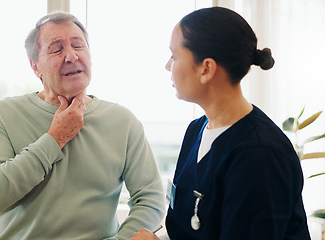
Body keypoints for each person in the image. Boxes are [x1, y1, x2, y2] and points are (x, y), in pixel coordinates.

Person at [0, 11, 165, 240]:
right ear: (35, 67)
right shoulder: (2, 114)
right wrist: (55, 138)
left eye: (78, 45)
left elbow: (151, 199)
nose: (72, 56)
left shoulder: (123, 121)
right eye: (57, 49)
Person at [131, 6, 311, 240]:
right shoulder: (196, 130)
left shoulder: (259, 154)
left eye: (174, 56)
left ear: (206, 68)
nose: (168, 66)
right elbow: (185, 225)